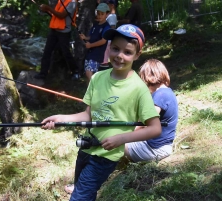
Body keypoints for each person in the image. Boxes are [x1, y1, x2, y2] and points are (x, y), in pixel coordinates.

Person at [41, 24, 162, 201]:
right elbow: (88, 115)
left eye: (127, 52)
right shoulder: (97, 78)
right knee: (82, 193)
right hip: (87, 148)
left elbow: (154, 128)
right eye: (115, 49)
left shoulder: (139, 89)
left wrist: (121, 139)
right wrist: (60, 119)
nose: (119, 56)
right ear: (109, 48)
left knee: (79, 197)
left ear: (137, 55)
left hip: (106, 156)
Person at [124, 59, 179, 162]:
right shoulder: (168, 92)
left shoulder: (160, 95)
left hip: (155, 149)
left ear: (147, 78)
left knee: (115, 144)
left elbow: (144, 122)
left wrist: (124, 134)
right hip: (163, 146)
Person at [34, 0, 80, 80]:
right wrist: (46, 10)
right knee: (47, 51)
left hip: (64, 32)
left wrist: (48, 8)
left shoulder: (72, 2)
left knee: (66, 53)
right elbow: (55, 14)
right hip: (54, 30)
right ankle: (43, 73)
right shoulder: (61, 1)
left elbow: (62, 15)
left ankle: (75, 71)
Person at [79, 3, 111, 83]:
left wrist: (90, 45)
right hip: (90, 53)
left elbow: (103, 41)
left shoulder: (107, 27)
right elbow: (91, 37)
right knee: (88, 72)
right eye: (98, 13)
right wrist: (85, 38)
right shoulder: (95, 24)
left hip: (97, 54)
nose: (99, 16)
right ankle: (90, 92)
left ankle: (95, 90)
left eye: (102, 14)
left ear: (107, 14)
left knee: (88, 72)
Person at [99, 0, 118, 71]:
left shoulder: (112, 16)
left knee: (104, 60)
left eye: (107, 4)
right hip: (106, 40)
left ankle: (105, 72)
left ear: (112, 5)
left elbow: (112, 28)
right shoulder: (109, 16)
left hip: (108, 40)